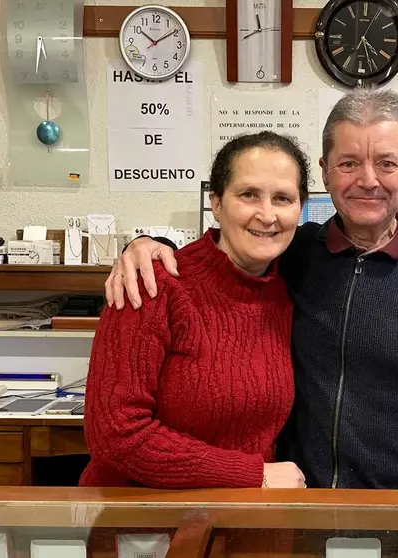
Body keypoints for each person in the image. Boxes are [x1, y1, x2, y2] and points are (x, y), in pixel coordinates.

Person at [106, 87, 398, 491]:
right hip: (295, 507)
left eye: (386, 163)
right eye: (348, 163)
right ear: (326, 171)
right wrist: (150, 246)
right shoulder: (293, 254)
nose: (368, 180)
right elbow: (223, 255)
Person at [79, 131, 310, 489]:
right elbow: (115, 434)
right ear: (216, 202)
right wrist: (252, 475)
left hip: (241, 519)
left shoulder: (286, 288)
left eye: (282, 198)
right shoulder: (153, 282)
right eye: (248, 195)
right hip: (143, 528)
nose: (267, 215)